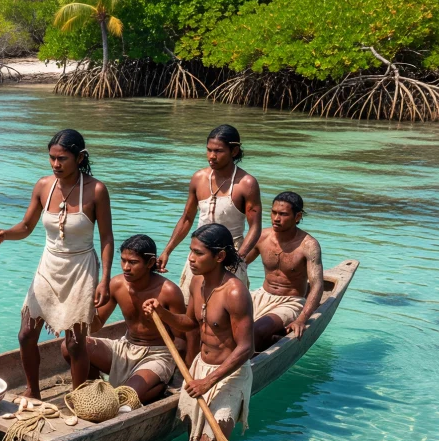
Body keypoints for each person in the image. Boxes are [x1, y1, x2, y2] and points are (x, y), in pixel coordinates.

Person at [0, 129, 114, 400]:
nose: (56, 164)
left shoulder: (96, 190)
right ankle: (33, 391)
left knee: (75, 343)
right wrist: (5, 234)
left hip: (81, 268)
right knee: (25, 334)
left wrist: (105, 279)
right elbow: (26, 226)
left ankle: (79, 397)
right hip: (48, 266)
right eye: (52, 158)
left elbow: (106, 238)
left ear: (80, 158)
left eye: (63, 159)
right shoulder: (44, 186)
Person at [143, 223, 254, 441]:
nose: (190, 258)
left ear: (218, 257)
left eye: (197, 253)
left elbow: (246, 347)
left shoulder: (235, 292)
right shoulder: (197, 282)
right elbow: (191, 322)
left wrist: (209, 380)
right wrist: (162, 312)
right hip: (199, 370)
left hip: (229, 376)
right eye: (190, 252)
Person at [68, 234, 186, 405]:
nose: (125, 267)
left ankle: (159, 386)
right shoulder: (116, 284)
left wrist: (178, 375)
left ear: (150, 263)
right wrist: (82, 310)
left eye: (133, 262)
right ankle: (95, 389)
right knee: (70, 346)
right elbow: (96, 325)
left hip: (156, 355)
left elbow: (181, 339)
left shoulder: (169, 292)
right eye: (123, 260)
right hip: (124, 348)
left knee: (125, 398)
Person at [156, 125, 261, 300]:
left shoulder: (246, 184)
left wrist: (239, 257)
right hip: (198, 251)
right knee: (190, 305)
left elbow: (255, 227)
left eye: (218, 151)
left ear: (234, 151)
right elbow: (187, 219)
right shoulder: (199, 178)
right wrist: (167, 251)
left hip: (230, 254)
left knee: (226, 310)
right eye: (209, 150)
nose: (212, 156)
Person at [245, 192, 325, 351]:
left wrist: (302, 319)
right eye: (274, 212)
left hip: (291, 302)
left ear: (297, 216)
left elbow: (317, 286)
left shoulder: (308, 245)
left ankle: (250, 366)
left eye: (283, 214)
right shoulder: (262, 236)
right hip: (261, 295)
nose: (276, 218)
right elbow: (240, 264)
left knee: (256, 330)